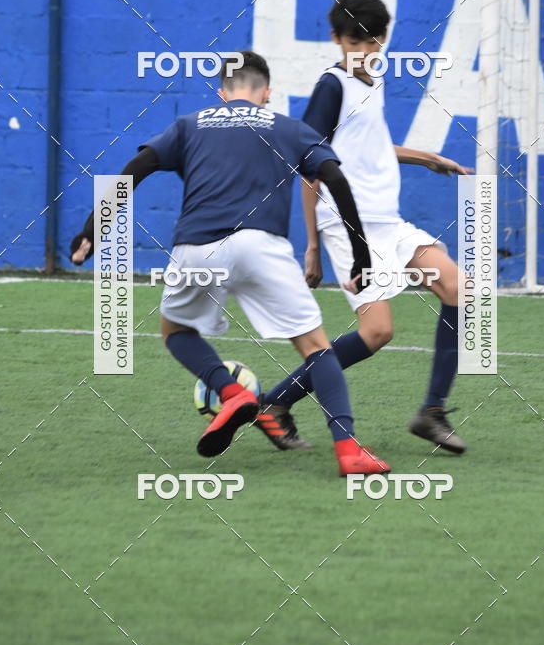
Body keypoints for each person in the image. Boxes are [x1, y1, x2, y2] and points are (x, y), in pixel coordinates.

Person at [70, 51, 389, 476]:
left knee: (175, 331)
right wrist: (361, 255)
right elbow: (334, 179)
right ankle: (349, 451)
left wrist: (93, 228)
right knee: (316, 348)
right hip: (263, 248)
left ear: (221, 94)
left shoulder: (190, 124)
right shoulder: (289, 128)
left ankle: (230, 392)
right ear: (268, 93)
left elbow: (136, 169)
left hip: (197, 248)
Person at [260, 0, 472, 454]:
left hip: (388, 223)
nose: (365, 48)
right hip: (346, 227)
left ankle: (431, 412)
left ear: (385, 37)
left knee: (458, 286)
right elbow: (309, 163)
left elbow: (369, 147)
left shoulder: (371, 81)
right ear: (336, 38)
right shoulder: (332, 86)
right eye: (355, 39)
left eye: (373, 39)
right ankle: (274, 403)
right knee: (377, 333)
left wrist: (425, 157)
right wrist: (312, 246)